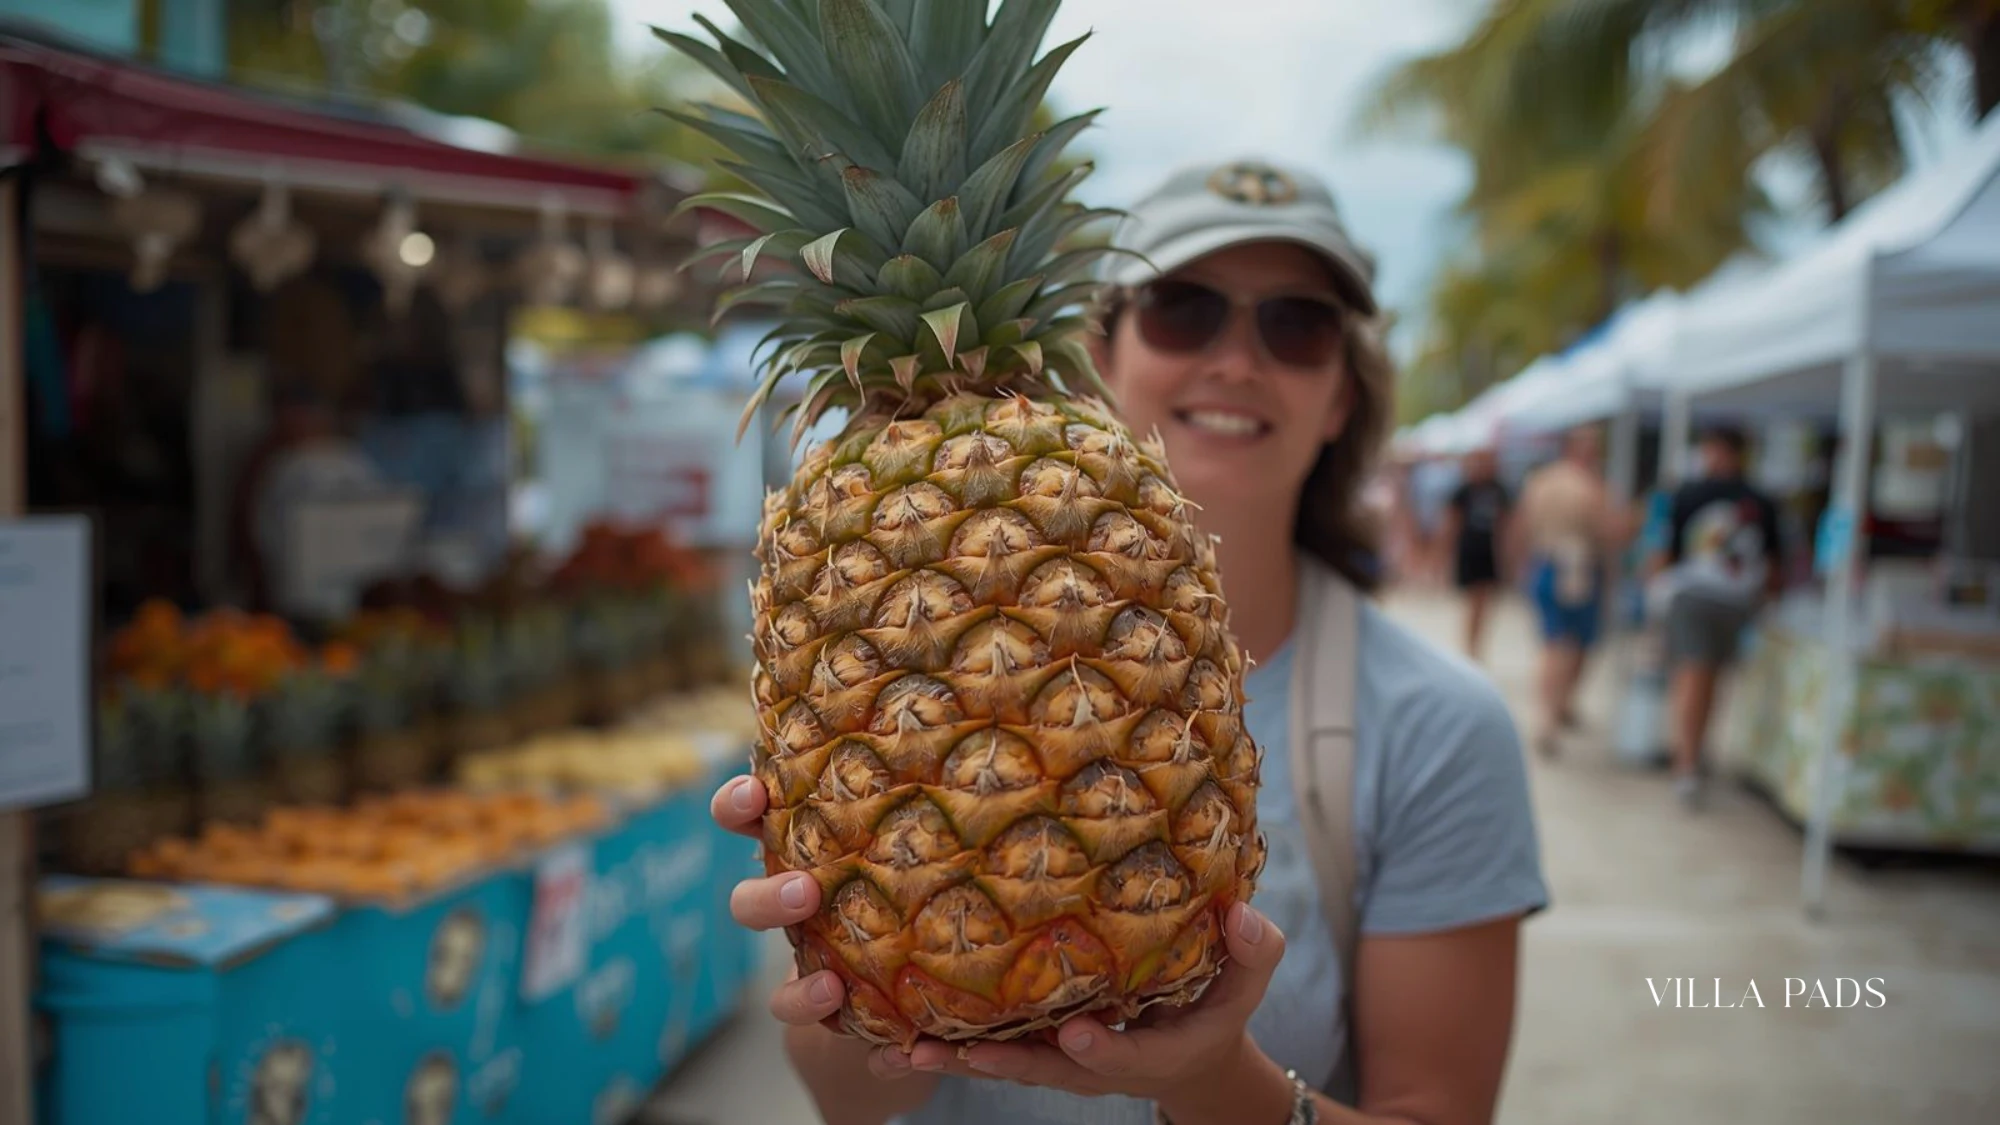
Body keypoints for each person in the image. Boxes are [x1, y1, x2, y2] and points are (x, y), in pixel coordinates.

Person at [711, 157, 1548, 1125]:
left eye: (1297, 324)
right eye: (1182, 308)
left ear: (1341, 398)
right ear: (1099, 351)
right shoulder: (867, 578)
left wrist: (1210, 1082)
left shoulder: (1439, 728)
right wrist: (841, 988)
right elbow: (847, 1106)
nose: (1236, 360)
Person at [1649, 424, 1783, 809]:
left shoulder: (1758, 500)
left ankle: (1692, 752)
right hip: (1693, 597)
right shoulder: (1688, 493)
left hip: (1733, 601)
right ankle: (1686, 760)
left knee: (1711, 678)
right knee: (1694, 673)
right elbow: (1666, 549)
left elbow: (1771, 559)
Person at [1511, 426, 1627, 757]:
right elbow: (1610, 532)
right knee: (1566, 644)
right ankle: (1552, 712)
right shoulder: (1591, 487)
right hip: (1578, 568)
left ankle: (1553, 711)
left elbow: (1521, 527)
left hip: (1544, 563)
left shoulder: (1540, 482)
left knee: (1555, 643)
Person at [1443, 447, 1512, 660]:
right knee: (1473, 601)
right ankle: (1470, 646)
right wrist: (1445, 553)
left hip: (1489, 553)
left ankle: (1476, 645)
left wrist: (1508, 556)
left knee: (1485, 602)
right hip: (1469, 551)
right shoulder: (1464, 490)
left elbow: (1506, 524)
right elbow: (1452, 523)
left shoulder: (1498, 490)